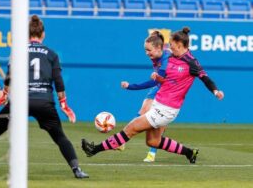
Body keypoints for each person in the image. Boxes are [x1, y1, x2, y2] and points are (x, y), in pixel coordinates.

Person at [0, 15, 89, 179]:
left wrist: (5, 94)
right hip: (44, 102)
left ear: (27, 34)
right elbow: (58, 81)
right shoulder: (52, 54)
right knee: (60, 137)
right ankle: (77, 169)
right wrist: (64, 104)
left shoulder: (18, 51)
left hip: (20, 101)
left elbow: (9, 76)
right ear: (43, 34)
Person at [82, 27, 224, 164]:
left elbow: (205, 78)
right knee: (152, 141)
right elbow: (168, 81)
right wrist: (158, 78)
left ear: (181, 45)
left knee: (130, 128)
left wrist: (216, 91)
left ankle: (94, 149)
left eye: (172, 45)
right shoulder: (172, 57)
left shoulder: (191, 62)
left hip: (167, 109)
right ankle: (189, 153)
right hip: (159, 102)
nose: (169, 47)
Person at [120, 31, 170, 162]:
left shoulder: (167, 60)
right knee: (144, 110)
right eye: (145, 50)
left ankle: (152, 153)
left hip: (170, 92)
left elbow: (153, 82)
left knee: (159, 123)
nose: (147, 53)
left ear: (159, 48)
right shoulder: (156, 58)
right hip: (159, 86)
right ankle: (122, 141)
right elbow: (156, 82)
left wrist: (131, 86)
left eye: (149, 50)